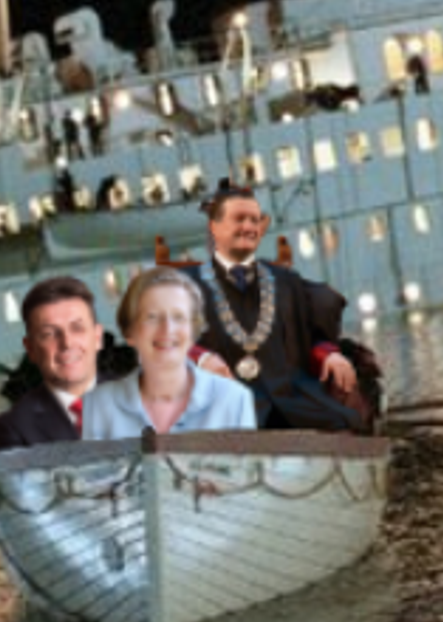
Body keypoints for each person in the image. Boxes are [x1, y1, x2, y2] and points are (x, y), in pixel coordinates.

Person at [187, 181, 365, 432]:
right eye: (238, 220)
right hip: (224, 404)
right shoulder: (183, 287)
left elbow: (308, 338)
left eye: (253, 220)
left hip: (290, 397)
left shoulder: (285, 281)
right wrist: (202, 359)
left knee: (343, 420)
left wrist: (329, 355)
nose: (247, 227)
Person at [82, 267, 255, 440]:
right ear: (130, 333)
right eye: (152, 317)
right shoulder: (98, 406)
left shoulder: (234, 400)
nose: (167, 329)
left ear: (193, 330)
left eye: (178, 317)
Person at [0, 276, 104, 449]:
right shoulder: (15, 428)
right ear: (31, 349)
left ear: (97, 337)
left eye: (77, 328)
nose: (67, 343)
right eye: (49, 334)